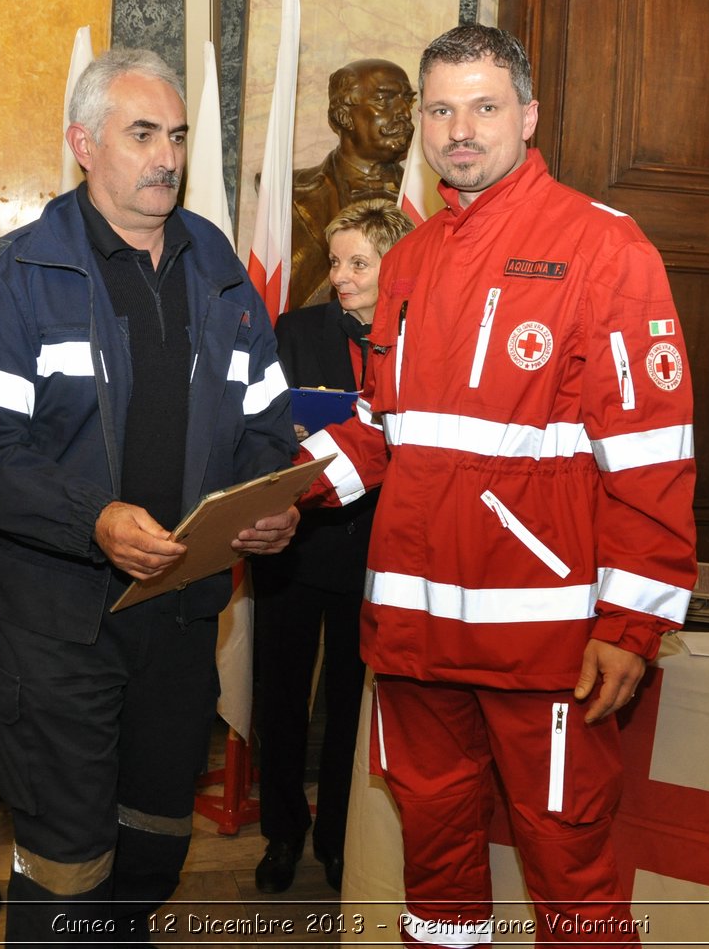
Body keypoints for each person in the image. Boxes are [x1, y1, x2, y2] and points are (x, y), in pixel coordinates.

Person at [298, 24, 697, 944]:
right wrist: (283, 490)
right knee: (434, 878)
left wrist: (630, 624)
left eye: (483, 106)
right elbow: (382, 428)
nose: (459, 128)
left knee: (573, 879)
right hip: (414, 637)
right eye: (440, 109)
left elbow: (652, 452)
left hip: (543, 641)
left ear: (527, 114)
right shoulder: (408, 256)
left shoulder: (606, 248)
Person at [0, 48, 299, 945]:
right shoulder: (20, 273)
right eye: (142, 134)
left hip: (178, 613)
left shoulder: (220, 268)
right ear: (82, 144)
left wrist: (266, 500)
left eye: (175, 134)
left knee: (152, 851)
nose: (166, 156)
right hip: (60, 621)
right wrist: (92, 518)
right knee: (66, 863)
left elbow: (265, 418)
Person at [252, 199, 413, 895]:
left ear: (396, 267)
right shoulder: (293, 329)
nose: (340, 276)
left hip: (379, 555)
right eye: (336, 260)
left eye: (358, 263)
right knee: (280, 697)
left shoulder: (425, 339)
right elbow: (258, 427)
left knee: (354, 706)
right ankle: (283, 831)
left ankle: (340, 835)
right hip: (295, 542)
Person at [289, 58, 415, 309]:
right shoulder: (294, 194)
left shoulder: (433, 200)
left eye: (407, 100)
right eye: (384, 99)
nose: (404, 112)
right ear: (344, 116)